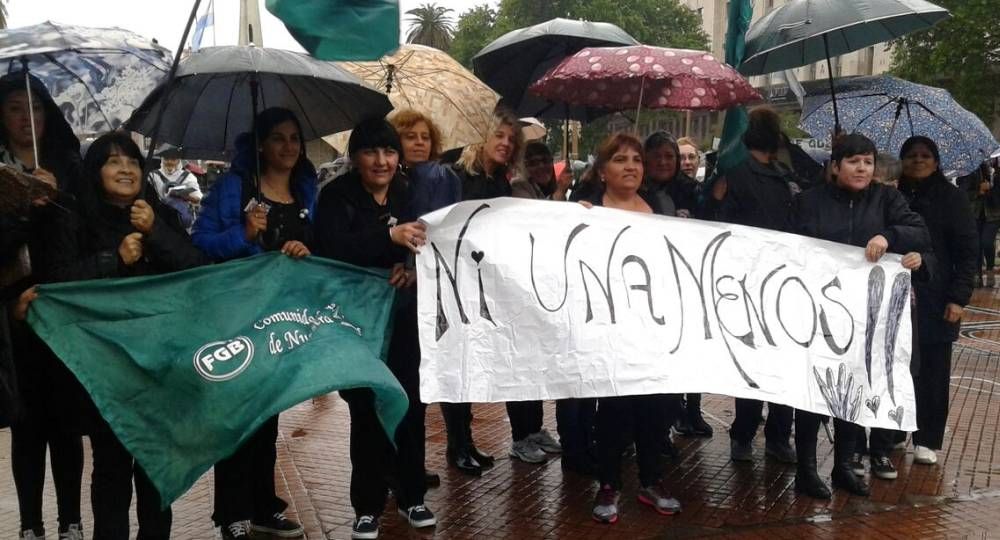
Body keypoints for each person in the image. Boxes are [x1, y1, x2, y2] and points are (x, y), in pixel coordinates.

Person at [30, 131, 209, 539]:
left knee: (155, 465)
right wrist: (114, 258)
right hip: (106, 366)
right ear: (95, 172)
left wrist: (157, 234)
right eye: (113, 161)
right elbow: (57, 282)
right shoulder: (72, 215)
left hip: (158, 364)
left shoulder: (157, 213)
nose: (126, 168)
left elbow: (198, 267)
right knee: (111, 465)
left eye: (131, 160)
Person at [193, 107, 315, 540]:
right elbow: (200, 243)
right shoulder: (233, 188)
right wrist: (244, 234)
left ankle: (264, 506)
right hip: (237, 317)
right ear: (260, 143)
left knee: (268, 417)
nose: (288, 147)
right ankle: (231, 513)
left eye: (294, 139)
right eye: (278, 138)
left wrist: (305, 249)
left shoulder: (304, 191)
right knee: (237, 418)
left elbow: (316, 248)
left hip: (282, 321)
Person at [313, 118, 436, 540]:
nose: (381, 161)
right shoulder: (335, 196)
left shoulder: (412, 192)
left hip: (404, 321)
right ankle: (367, 505)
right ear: (356, 158)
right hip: (358, 325)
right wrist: (389, 236)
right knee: (366, 412)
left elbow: (432, 247)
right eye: (371, 152)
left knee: (410, 406)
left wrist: (414, 269)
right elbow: (332, 248)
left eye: (389, 152)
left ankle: (412, 495)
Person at [792, 133, 930, 498]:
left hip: (865, 317)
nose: (862, 168)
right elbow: (789, 248)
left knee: (852, 387)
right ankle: (805, 469)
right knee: (812, 390)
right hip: (817, 313)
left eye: (868, 162)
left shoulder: (887, 199)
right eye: (853, 161)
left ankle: (843, 466)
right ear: (835, 166)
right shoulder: (808, 202)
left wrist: (889, 235)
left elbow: (919, 232)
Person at [0, 70, 85, 540]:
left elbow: (82, 232)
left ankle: (70, 520)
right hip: (17, 312)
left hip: (64, 306)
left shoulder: (68, 163)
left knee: (66, 421)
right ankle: (31, 524)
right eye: (15, 107)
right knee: (27, 424)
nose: (26, 117)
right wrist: (24, 205)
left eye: (34, 107)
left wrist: (58, 198)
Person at [582, 133, 682, 524]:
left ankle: (651, 480)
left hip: (654, 326)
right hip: (610, 327)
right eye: (620, 159)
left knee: (655, 410)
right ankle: (608, 484)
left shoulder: (659, 205)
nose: (631, 167)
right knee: (613, 411)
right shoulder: (588, 209)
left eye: (636, 160)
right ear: (603, 170)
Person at [441, 106, 524, 475]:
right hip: (455, 282)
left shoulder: (500, 182)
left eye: (511, 139)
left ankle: (467, 442)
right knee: (455, 363)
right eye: (499, 136)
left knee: (471, 364)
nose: (505, 143)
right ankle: (456, 444)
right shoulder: (460, 176)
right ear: (482, 137)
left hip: (483, 284)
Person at [716, 106, 797, 465]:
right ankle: (748, 433)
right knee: (756, 365)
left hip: (782, 284)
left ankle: (768, 435)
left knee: (778, 365)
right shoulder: (736, 174)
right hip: (753, 284)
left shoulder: (784, 175)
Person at [897, 136, 978, 466]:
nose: (918, 160)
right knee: (898, 367)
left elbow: (968, 252)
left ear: (936, 161)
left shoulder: (952, 199)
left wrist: (958, 297)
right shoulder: (891, 194)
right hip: (896, 296)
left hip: (936, 297)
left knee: (933, 370)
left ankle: (927, 438)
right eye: (912, 155)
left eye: (925, 155)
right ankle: (893, 431)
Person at [960, 163, 1000, 287]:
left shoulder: (995, 172)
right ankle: (976, 274)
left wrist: (991, 187)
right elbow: (962, 194)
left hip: (993, 214)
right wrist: (979, 191)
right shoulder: (966, 172)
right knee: (976, 245)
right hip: (975, 214)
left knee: (987, 242)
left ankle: (989, 269)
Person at [643, 131, 698, 218]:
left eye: (669, 156)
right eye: (657, 156)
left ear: (677, 160)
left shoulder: (694, 192)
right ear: (645, 160)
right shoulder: (631, 192)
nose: (663, 162)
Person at [148, 146, 202, 230]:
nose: (169, 162)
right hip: (159, 222)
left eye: (173, 159)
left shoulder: (189, 177)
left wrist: (184, 196)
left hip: (181, 222)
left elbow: (198, 199)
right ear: (162, 159)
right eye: (166, 159)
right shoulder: (152, 176)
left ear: (178, 160)